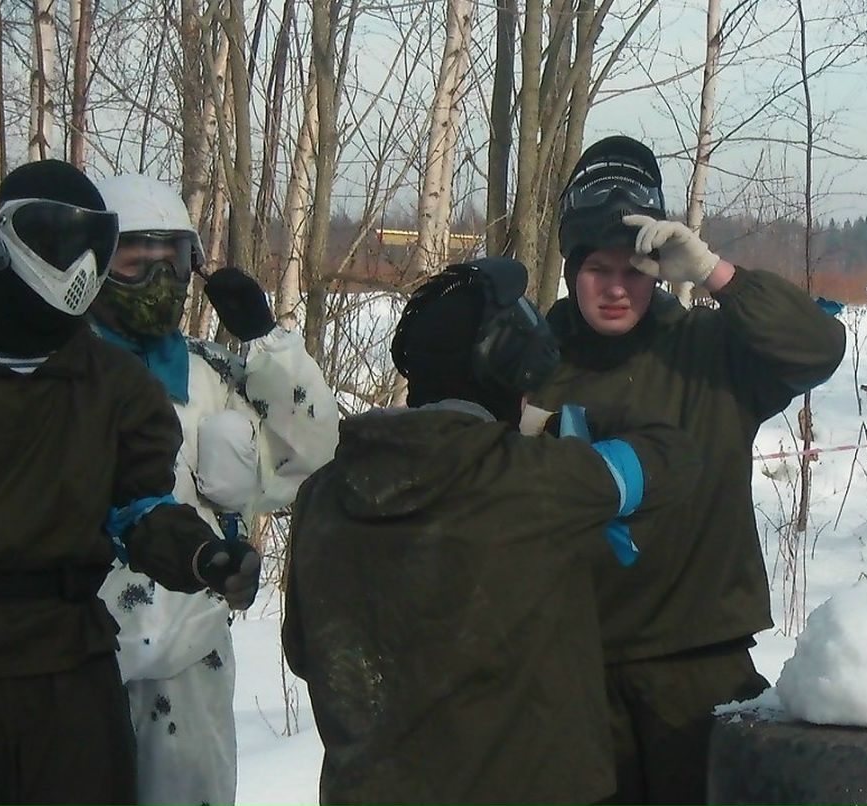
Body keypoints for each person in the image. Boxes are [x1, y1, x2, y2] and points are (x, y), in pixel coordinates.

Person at [281, 257, 702, 806]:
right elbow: (672, 460)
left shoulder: (322, 493)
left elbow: (304, 651)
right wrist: (564, 432)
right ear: (509, 374)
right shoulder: (537, 480)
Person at [530, 135, 847, 805]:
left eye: (634, 271)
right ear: (572, 271)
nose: (617, 288)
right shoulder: (532, 362)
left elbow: (817, 348)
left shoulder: (709, 351)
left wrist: (714, 272)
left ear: (658, 271)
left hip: (700, 666)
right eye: (598, 269)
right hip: (573, 671)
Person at [0, 160, 261, 806]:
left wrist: (203, 556)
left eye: (94, 244)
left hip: (71, 670)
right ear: (6, 240)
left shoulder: (116, 385)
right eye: (60, 239)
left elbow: (140, 509)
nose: (78, 264)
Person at [89, 173, 339, 806]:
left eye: (171, 261)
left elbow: (313, 450)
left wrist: (266, 340)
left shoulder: (211, 374)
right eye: (134, 260)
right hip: (82, 656)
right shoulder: (61, 377)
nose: (158, 279)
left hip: (192, 659)